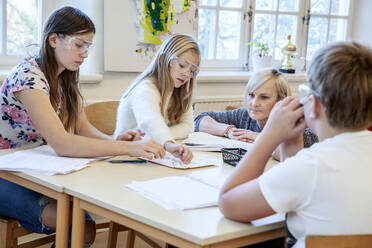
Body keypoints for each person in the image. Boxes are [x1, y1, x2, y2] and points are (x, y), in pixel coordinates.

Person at [0, 6, 164, 247]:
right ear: (54, 39)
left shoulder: (65, 77)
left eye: (88, 46)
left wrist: (117, 141)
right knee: (67, 217)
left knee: (84, 227)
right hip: (7, 173)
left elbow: (83, 129)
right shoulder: (28, 77)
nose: (85, 53)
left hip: (39, 172)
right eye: (79, 45)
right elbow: (63, 144)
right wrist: (126, 149)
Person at [219, 42, 372, 248]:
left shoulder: (312, 166)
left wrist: (269, 135)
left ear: (315, 104)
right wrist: (290, 138)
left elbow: (228, 202)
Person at [114, 34, 201, 164]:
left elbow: (188, 127)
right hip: (123, 157)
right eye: (182, 65)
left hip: (148, 154)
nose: (187, 74)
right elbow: (150, 120)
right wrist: (168, 143)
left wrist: (153, 137)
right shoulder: (145, 88)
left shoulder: (181, 92)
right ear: (163, 60)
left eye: (192, 71)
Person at [194, 68, 318, 148]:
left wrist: (259, 137)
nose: (254, 103)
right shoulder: (244, 116)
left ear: (281, 100)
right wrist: (228, 130)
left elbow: (312, 139)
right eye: (251, 95)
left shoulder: (296, 121)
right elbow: (200, 120)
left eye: (264, 97)